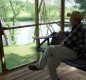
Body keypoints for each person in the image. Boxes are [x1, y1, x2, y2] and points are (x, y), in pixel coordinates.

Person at [28, 11, 85, 80]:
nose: (69, 19)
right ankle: (55, 78)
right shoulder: (78, 27)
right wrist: (65, 32)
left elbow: (67, 42)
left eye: (71, 17)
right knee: (50, 59)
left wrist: (59, 45)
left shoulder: (78, 28)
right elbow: (72, 35)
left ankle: (39, 66)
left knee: (50, 48)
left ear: (75, 19)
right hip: (71, 51)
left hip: (75, 53)